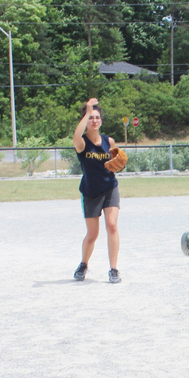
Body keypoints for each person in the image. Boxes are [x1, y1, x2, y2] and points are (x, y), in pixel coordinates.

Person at [71, 97, 121, 284]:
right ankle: (83, 264)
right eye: (91, 117)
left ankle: (113, 269)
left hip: (110, 187)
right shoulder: (82, 143)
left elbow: (116, 161)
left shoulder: (109, 141)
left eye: (97, 117)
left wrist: (118, 165)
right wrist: (87, 109)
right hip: (91, 191)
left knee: (112, 225)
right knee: (92, 235)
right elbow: (75, 137)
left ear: (101, 120)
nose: (94, 120)